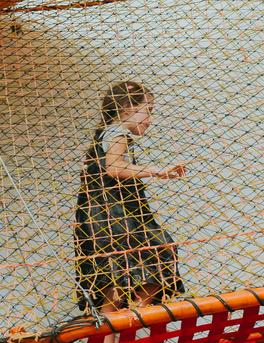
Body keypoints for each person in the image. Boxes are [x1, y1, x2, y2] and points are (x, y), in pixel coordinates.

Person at [75, 80, 187, 315]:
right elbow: (114, 168)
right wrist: (157, 171)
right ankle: (137, 312)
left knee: (115, 277)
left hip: (99, 217)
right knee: (160, 250)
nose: (151, 120)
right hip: (113, 215)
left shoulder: (107, 134)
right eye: (149, 111)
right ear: (127, 106)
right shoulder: (119, 133)